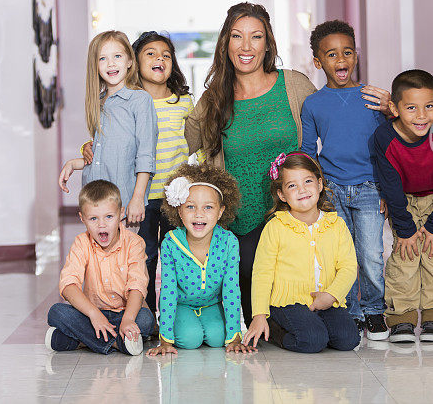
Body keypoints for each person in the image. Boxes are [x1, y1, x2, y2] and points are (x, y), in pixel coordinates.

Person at [184, 2, 317, 324]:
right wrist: (93, 146)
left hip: (289, 217)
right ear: (225, 44)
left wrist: (386, 109)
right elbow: (178, 140)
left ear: (268, 43)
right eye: (236, 37)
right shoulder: (214, 98)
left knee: (300, 318)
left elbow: (333, 123)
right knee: (255, 295)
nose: (246, 47)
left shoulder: (294, 85)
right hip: (239, 224)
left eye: (255, 37)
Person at [83, 31, 198, 312]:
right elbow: (110, 143)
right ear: (135, 61)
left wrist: (199, 179)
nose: (159, 58)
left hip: (174, 196)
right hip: (142, 196)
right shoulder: (123, 100)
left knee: (175, 257)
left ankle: (175, 314)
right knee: (144, 257)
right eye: (150, 53)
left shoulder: (183, 101)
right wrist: (85, 149)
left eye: (166, 55)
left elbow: (198, 143)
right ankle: (144, 315)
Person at [301, 19, 392, 340]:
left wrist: (386, 188)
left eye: (348, 52)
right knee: (342, 255)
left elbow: (388, 146)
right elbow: (308, 152)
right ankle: (350, 311)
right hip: (332, 189)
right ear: (318, 61)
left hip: (369, 187)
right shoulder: (312, 104)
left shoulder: (373, 98)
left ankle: (374, 310)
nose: (341, 60)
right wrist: (314, 192)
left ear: (356, 56)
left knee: (370, 252)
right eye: (331, 55)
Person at [372, 69, 433, 343]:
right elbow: (390, 185)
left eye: (429, 106)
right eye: (411, 108)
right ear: (394, 108)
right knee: (404, 257)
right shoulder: (384, 137)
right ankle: (402, 318)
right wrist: (405, 228)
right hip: (402, 201)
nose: (421, 116)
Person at [243, 152, 360, 353]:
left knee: (349, 339)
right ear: (281, 195)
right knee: (313, 340)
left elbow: (348, 267)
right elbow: (262, 272)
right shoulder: (276, 226)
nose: (302, 190)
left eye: (307, 181)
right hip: (287, 303)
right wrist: (259, 315)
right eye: (292, 186)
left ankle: (315, 325)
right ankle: (275, 330)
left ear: (320, 184)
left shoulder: (336, 224)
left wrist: (331, 296)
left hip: (325, 300)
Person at [147, 163, 253, 355]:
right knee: (190, 339)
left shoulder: (229, 242)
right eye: (190, 207)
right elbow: (168, 290)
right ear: (179, 211)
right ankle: (185, 325)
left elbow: (231, 289)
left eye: (208, 207)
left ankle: (212, 325)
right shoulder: (171, 243)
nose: (199, 214)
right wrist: (165, 339)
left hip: (211, 305)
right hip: (182, 305)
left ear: (220, 211)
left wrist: (235, 336)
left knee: (218, 338)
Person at [58, 31, 158, 227]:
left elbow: (146, 155)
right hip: (94, 204)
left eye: (117, 56)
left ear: (129, 61)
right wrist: (73, 163)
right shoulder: (99, 102)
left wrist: (137, 199)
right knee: (97, 258)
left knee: (123, 257)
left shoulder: (140, 100)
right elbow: (104, 156)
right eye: (102, 58)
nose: (111, 64)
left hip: (123, 206)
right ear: (95, 66)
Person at [46, 180, 155, 355]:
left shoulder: (134, 243)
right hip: (91, 314)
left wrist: (128, 319)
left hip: (124, 313)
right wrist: (94, 315)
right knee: (56, 312)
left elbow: (137, 285)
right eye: (93, 218)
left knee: (146, 320)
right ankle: (117, 344)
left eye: (109, 217)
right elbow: (68, 285)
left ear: (120, 214)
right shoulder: (81, 243)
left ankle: (80, 340)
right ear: (82, 218)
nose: (101, 225)